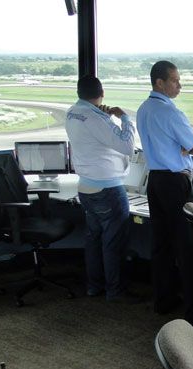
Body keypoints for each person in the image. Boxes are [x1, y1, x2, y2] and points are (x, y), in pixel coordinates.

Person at [136, 60, 193, 315]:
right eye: (175, 80)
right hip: (175, 183)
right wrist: (184, 147)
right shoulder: (171, 112)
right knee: (186, 246)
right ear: (159, 83)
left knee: (161, 245)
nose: (179, 85)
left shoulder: (143, 109)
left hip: (155, 181)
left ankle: (163, 301)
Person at [64, 75, 138, 303]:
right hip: (108, 190)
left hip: (86, 188)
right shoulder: (97, 118)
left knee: (94, 239)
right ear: (102, 92)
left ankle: (94, 286)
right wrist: (124, 117)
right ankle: (115, 292)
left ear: (79, 92)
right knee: (113, 242)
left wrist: (104, 118)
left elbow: (94, 138)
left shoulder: (73, 113)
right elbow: (126, 145)